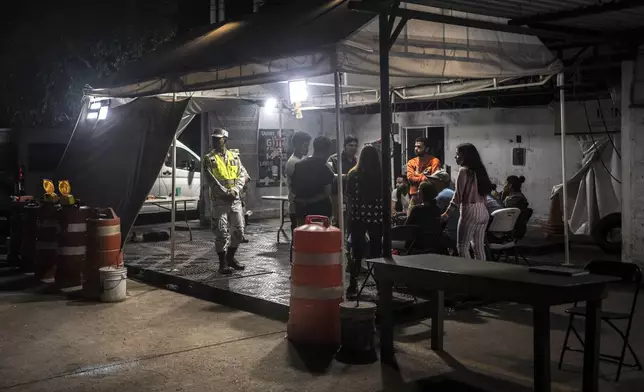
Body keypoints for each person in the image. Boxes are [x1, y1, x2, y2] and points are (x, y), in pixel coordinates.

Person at [204, 128, 248, 274]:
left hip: (234, 199)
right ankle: (222, 263)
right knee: (221, 232)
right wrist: (225, 193)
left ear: (225, 139)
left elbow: (242, 174)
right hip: (219, 201)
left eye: (218, 138)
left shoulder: (234, 156)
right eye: (214, 138)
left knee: (239, 232)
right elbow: (211, 180)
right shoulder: (209, 158)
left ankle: (230, 258)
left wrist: (235, 191)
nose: (215, 141)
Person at [442, 143, 493, 260]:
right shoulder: (480, 171)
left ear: (465, 156)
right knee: (478, 247)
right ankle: (481, 273)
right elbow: (485, 194)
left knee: (462, 246)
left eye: (457, 154)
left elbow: (458, 196)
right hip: (483, 210)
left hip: (469, 210)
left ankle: (467, 273)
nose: (455, 157)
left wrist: (446, 214)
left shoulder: (463, 171)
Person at [346, 145, 383, 295]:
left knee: (357, 252)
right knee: (376, 252)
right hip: (375, 217)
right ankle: (380, 285)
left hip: (357, 217)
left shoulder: (353, 174)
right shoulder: (380, 174)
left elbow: (349, 198)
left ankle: (353, 284)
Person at [291, 136, 335, 225]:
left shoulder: (299, 165)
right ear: (328, 150)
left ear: (314, 147)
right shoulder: (325, 168)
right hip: (321, 212)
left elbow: (293, 188)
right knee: (320, 238)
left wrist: (304, 201)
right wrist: (309, 201)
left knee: (303, 237)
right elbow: (327, 192)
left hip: (302, 211)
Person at [327, 135, 358, 226]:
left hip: (352, 196)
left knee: (352, 221)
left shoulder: (357, 160)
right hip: (337, 195)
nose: (353, 148)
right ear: (344, 146)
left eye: (355, 145)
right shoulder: (333, 159)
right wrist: (347, 176)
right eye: (350, 145)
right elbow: (330, 176)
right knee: (337, 221)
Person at [285, 131, 312, 233]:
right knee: (299, 235)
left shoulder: (301, 160)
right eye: (305, 145)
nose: (307, 148)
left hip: (301, 203)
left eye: (308, 145)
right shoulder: (293, 162)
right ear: (296, 145)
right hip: (296, 205)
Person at [405, 182, 443, 253]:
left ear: (424, 194)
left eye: (419, 190)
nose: (417, 192)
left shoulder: (417, 209)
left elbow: (406, 228)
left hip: (416, 244)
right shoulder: (437, 209)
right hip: (433, 244)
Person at [426, 170, 458, 253]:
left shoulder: (442, 196)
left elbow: (434, 219)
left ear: (441, 182)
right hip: (458, 233)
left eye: (433, 180)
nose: (431, 182)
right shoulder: (451, 192)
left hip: (451, 235)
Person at [407, 137, 441, 209]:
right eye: (415, 146)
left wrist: (416, 174)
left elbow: (433, 179)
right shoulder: (411, 162)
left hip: (429, 198)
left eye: (419, 147)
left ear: (427, 148)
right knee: (412, 219)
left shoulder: (434, 161)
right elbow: (410, 178)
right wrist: (424, 176)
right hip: (415, 198)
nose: (416, 149)